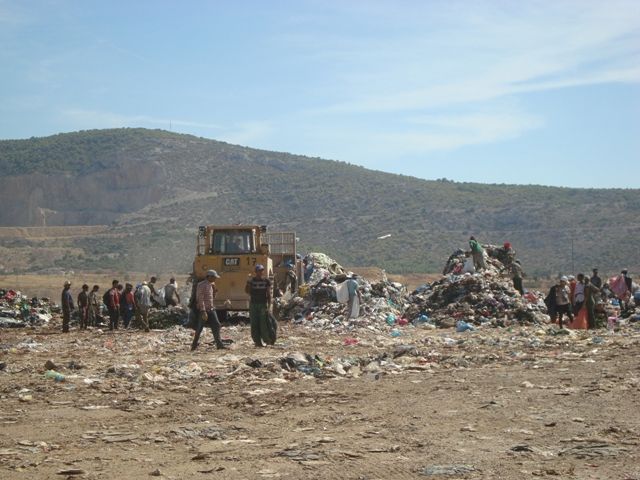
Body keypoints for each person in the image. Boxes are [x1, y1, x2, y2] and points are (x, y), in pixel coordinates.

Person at [192, 270, 225, 351]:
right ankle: (194, 345)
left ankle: (219, 344)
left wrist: (215, 292)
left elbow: (211, 298)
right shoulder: (201, 285)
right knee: (199, 328)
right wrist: (203, 311)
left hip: (211, 309)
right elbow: (200, 298)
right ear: (209, 276)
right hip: (204, 310)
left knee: (216, 325)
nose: (215, 279)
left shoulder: (211, 285)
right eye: (214, 277)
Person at [245, 264, 275, 347]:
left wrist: (269, 306)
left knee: (263, 324)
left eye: (262, 270)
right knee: (254, 324)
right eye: (259, 270)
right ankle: (257, 342)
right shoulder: (252, 281)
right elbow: (247, 291)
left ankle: (267, 340)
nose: (260, 272)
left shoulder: (266, 281)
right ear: (256, 272)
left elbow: (268, 294)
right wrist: (248, 282)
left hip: (262, 304)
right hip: (253, 304)